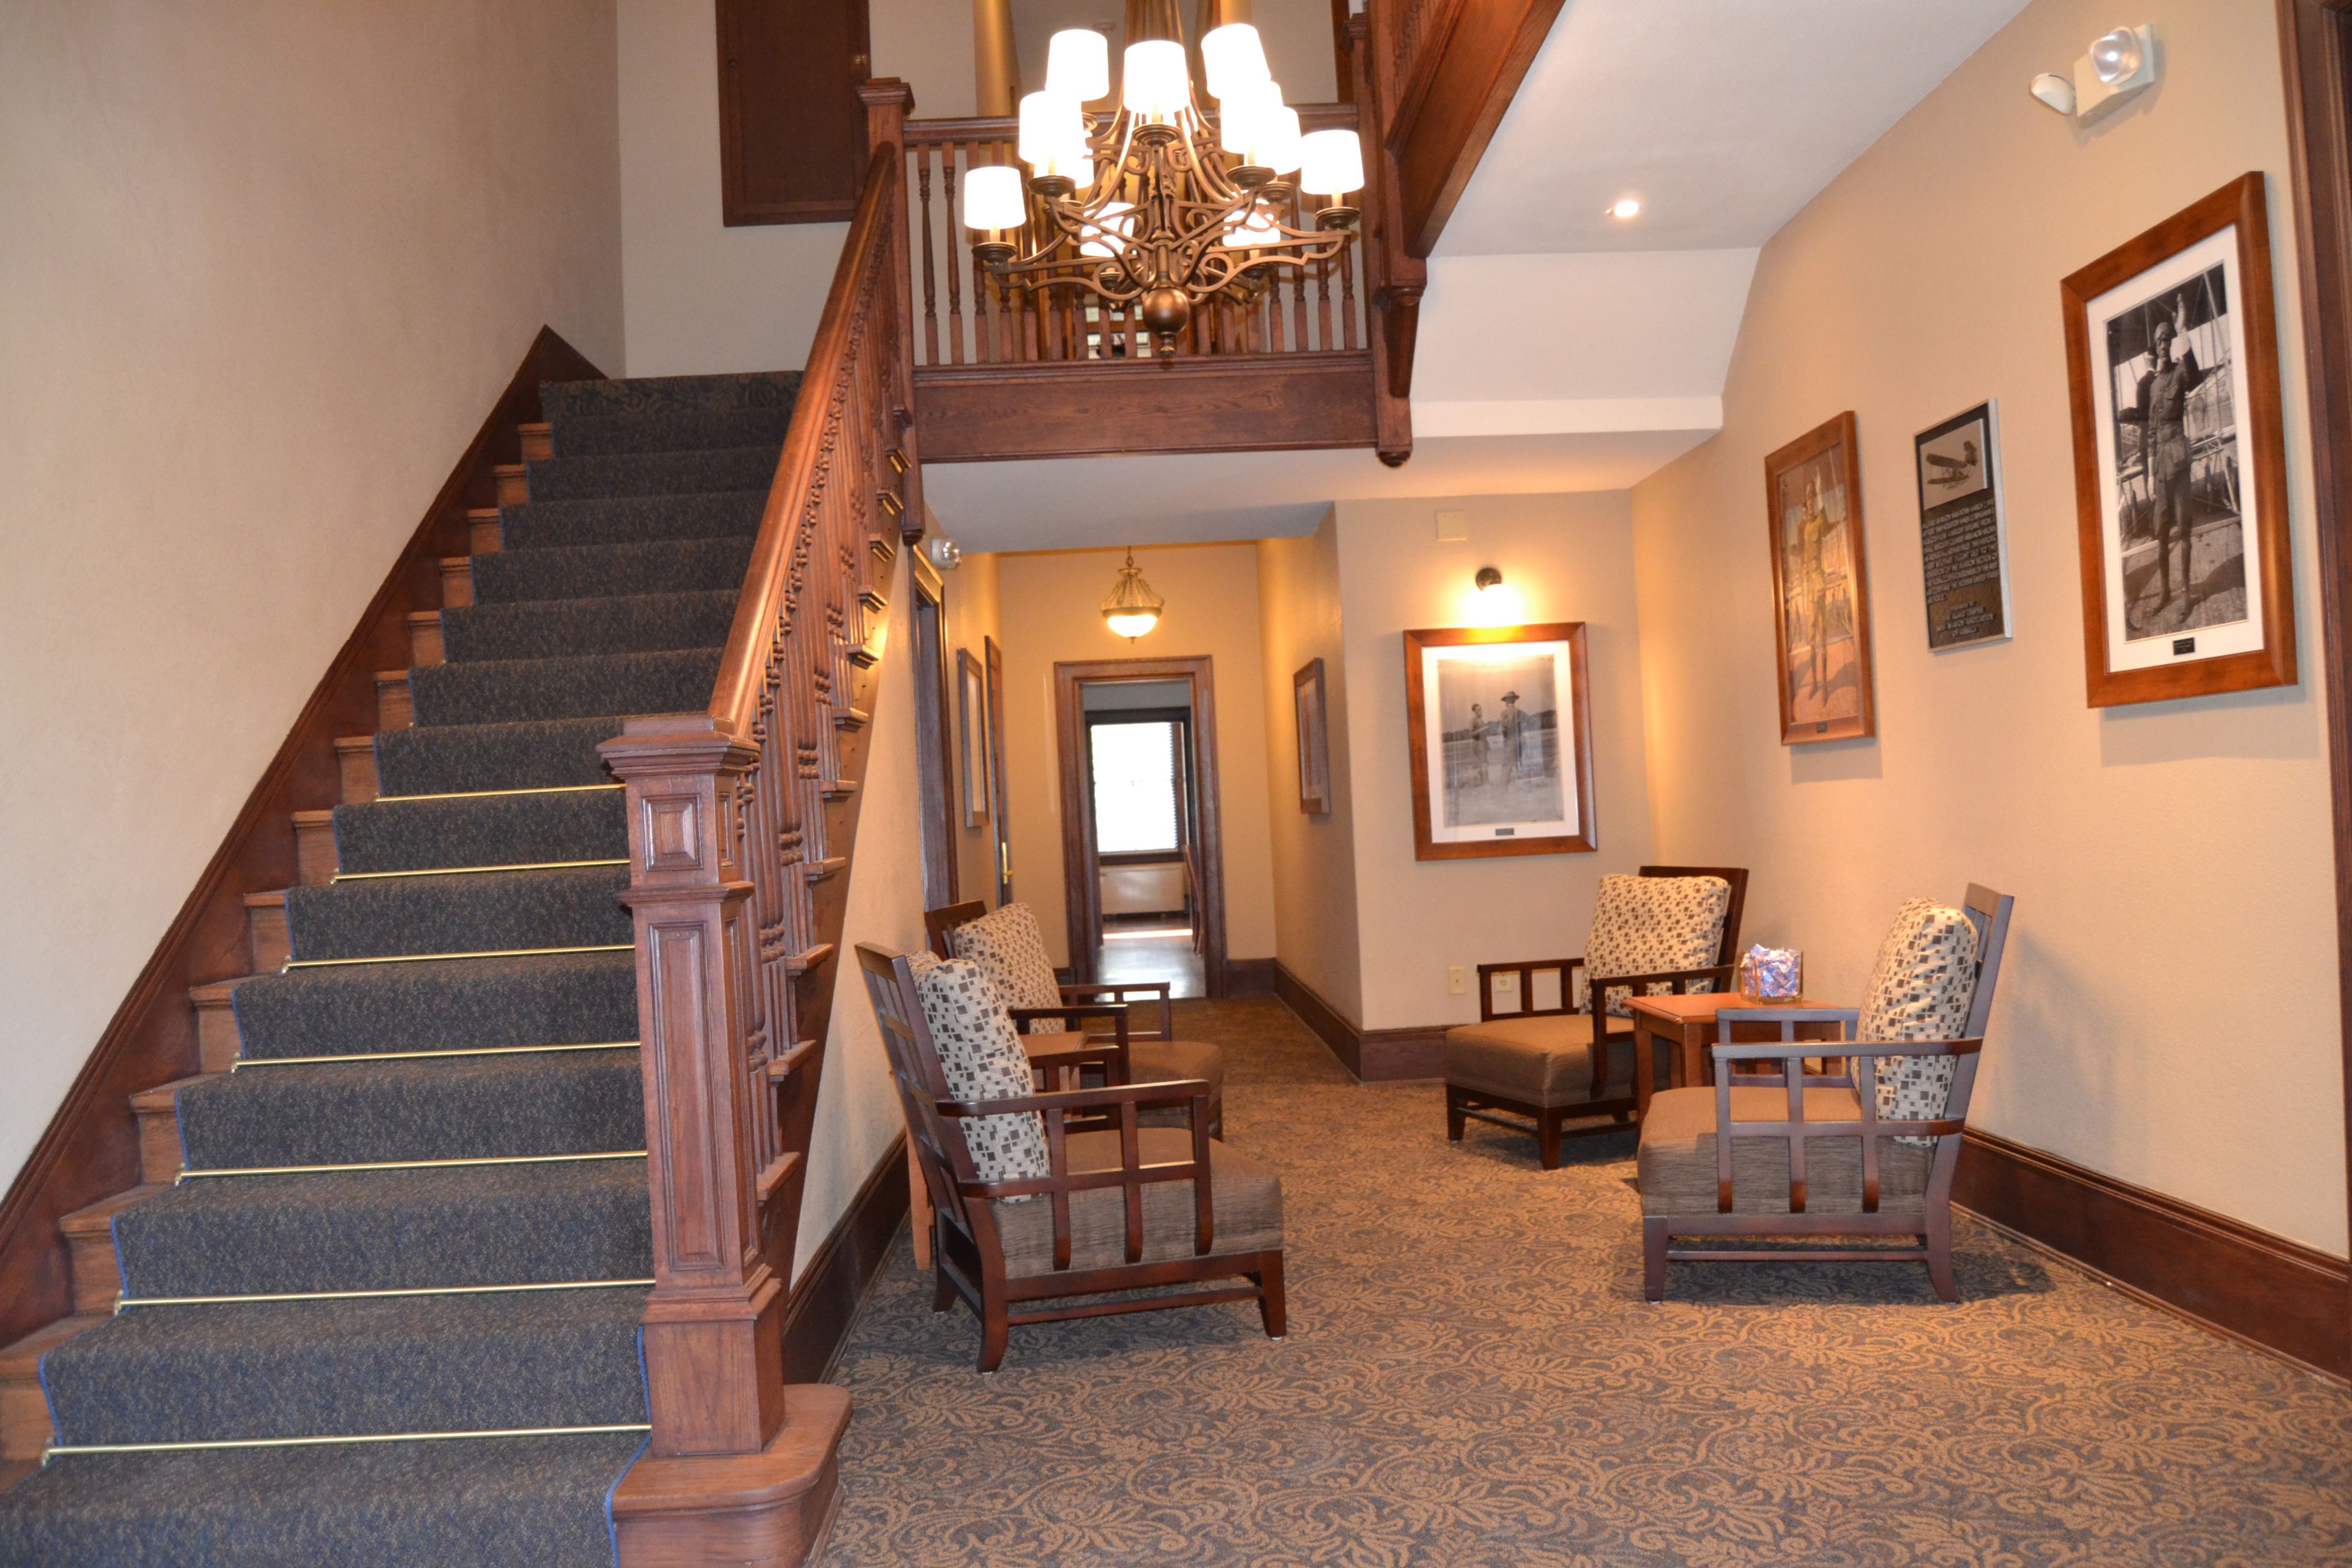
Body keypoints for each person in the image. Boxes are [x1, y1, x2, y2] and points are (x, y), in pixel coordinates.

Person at [2129, 300, 2207, 612]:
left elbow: (2194, 374)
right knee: (2161, 533)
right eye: (2159, 341)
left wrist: (2183, 328)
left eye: (2167, 339)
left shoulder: (2179, 375)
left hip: (2179, 462)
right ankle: (2164, 593)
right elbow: (2149, 435)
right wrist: (2148, 478)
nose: (2163, 345)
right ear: (2155, 345)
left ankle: (2186, 593)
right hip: (2159, 469)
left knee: (2183, 528)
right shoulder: (2153, 386)